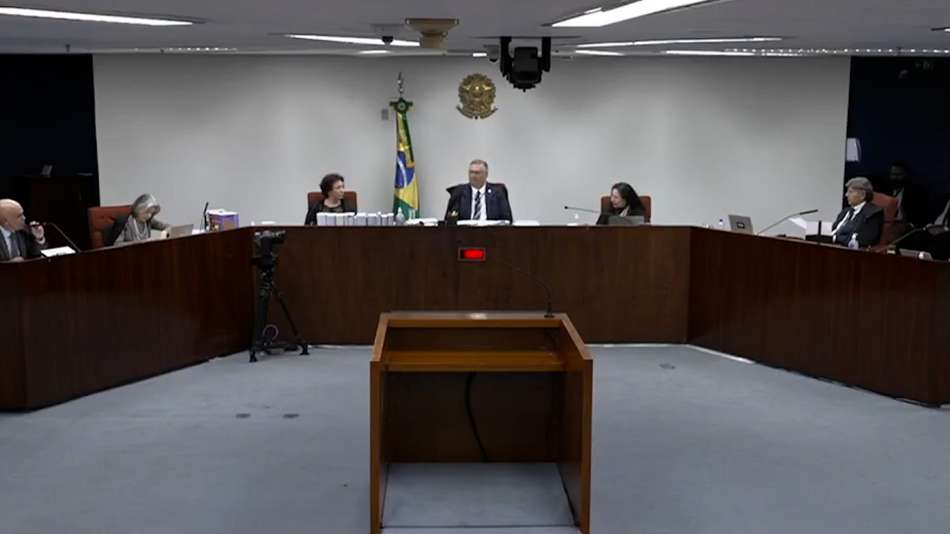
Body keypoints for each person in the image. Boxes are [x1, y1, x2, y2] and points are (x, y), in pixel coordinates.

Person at [444, 160, 513, 222]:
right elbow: (448, 221)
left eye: (477, 173)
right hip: (466, 231)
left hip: (490, 231)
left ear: (486, 174)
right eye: (471, 172)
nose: (473, 176)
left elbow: (507, 220)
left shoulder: (498, 192)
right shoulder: (459, 192)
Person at [831, 177, 884, 248]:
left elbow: (861, 241)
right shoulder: (846, 211)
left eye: (850, 192)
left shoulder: (872, 213)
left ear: (862, 195)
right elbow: (834, 230)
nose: (846, 195)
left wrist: (835, 238)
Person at [886, 161, 926, 226]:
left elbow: (917, 217)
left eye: (898, 175)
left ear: (905, 175)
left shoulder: (914, 194)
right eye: (893, 174)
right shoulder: (886, 191)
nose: (895, 177)